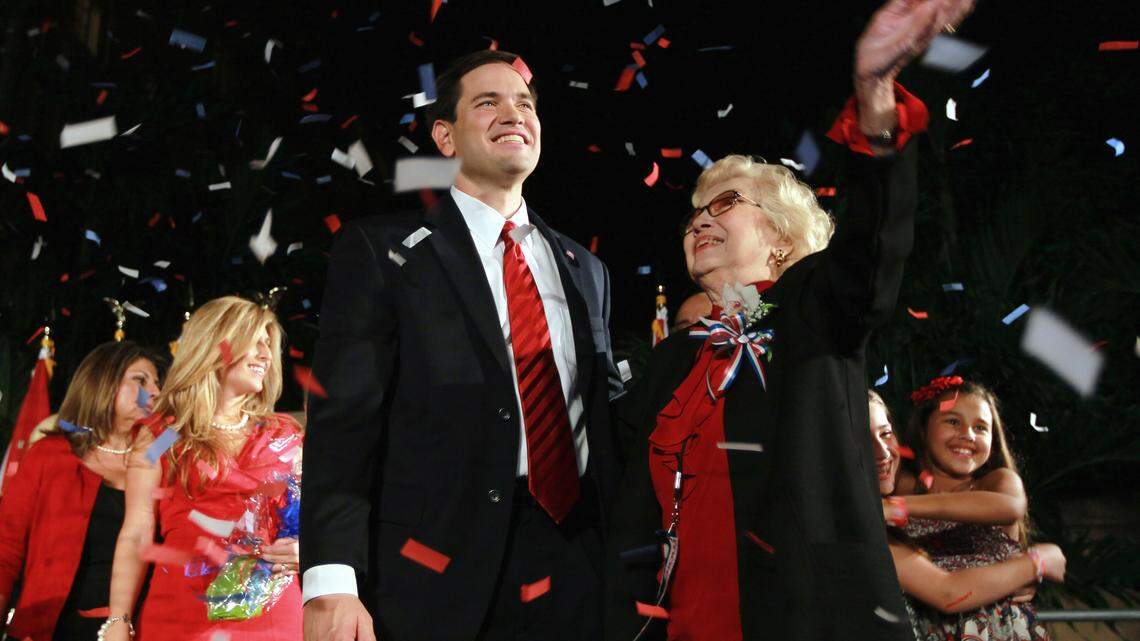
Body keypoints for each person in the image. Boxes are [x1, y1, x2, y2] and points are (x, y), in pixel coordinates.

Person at [604, 1, 975, 639]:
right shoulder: (671, 359)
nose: (700, 221)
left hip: (805, 619)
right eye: (694, 213)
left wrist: (875, 99)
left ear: (780, 238)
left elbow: (875, 244)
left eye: (725, 204)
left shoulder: (815, 306)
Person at [300, 50, 623, 641]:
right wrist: (331, 580)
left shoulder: (586, 269)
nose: (514, 112)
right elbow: (344, 425)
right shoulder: (384, 253)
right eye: (488, 101)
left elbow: (604, 421)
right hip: (434, 571)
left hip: (577, 565)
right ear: (445, 137)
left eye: (525, 102)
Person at [104, 296, 303, 641]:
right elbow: (137, 531)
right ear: (217, 344)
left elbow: (322, 518)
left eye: (268, 345)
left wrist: (310, 549)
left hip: (275, 621)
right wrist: (118, 621)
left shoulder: (284, 435)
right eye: (254, 341)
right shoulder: (165, 435)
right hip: (181, 621)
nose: (266, 355)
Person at [866, 390, 1065, 635]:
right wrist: (1034, 564)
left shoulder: (995, 482)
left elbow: (1009, 507)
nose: (967, 435)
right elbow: (943, 591)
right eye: (952, 421)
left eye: (981, 427)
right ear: (922, 428)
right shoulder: (900, 484)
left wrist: (898, 508)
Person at [0, 341, 161, 641]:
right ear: (103, 382)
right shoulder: (50, 454)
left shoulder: (161, 457)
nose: (155, 392)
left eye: (156, 383)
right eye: (140, 380)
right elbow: (5, 546)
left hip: (134, 630)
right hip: (50, 628)